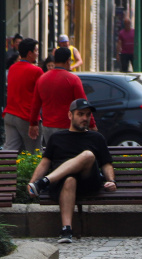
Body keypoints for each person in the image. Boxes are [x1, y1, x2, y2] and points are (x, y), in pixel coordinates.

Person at [27, 99, 117, 244]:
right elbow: (45, 163)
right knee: (69, 180)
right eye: (80, 114)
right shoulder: (57, 138)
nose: (85, 118)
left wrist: (111, 181)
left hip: (88, 182)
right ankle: (66, 230)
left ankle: (44, 182)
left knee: (88, 155)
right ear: (70, 115)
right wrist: (31, 183)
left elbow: (106, 163)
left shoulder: (96, 137)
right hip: (63, 185)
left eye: (87, 115)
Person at [30, 48, 96, 146]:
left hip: (47, 126)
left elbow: (35, 104)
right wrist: (92, 124)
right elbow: (83, 104)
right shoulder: (73, 79)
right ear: (68, 61)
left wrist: (33, 124)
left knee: (54, 156)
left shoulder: (42, 79)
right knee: (69, 156)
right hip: (67, 126)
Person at [4, 38, 43, 152]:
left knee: (10, 151)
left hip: (10, 114)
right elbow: (40, 96)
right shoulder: (36, 71)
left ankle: (5, 169)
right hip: (27, 117)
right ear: (29, 53)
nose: (37, 53)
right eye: (36, 51)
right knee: (34, 152)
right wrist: (34, 122)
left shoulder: (12, 68)